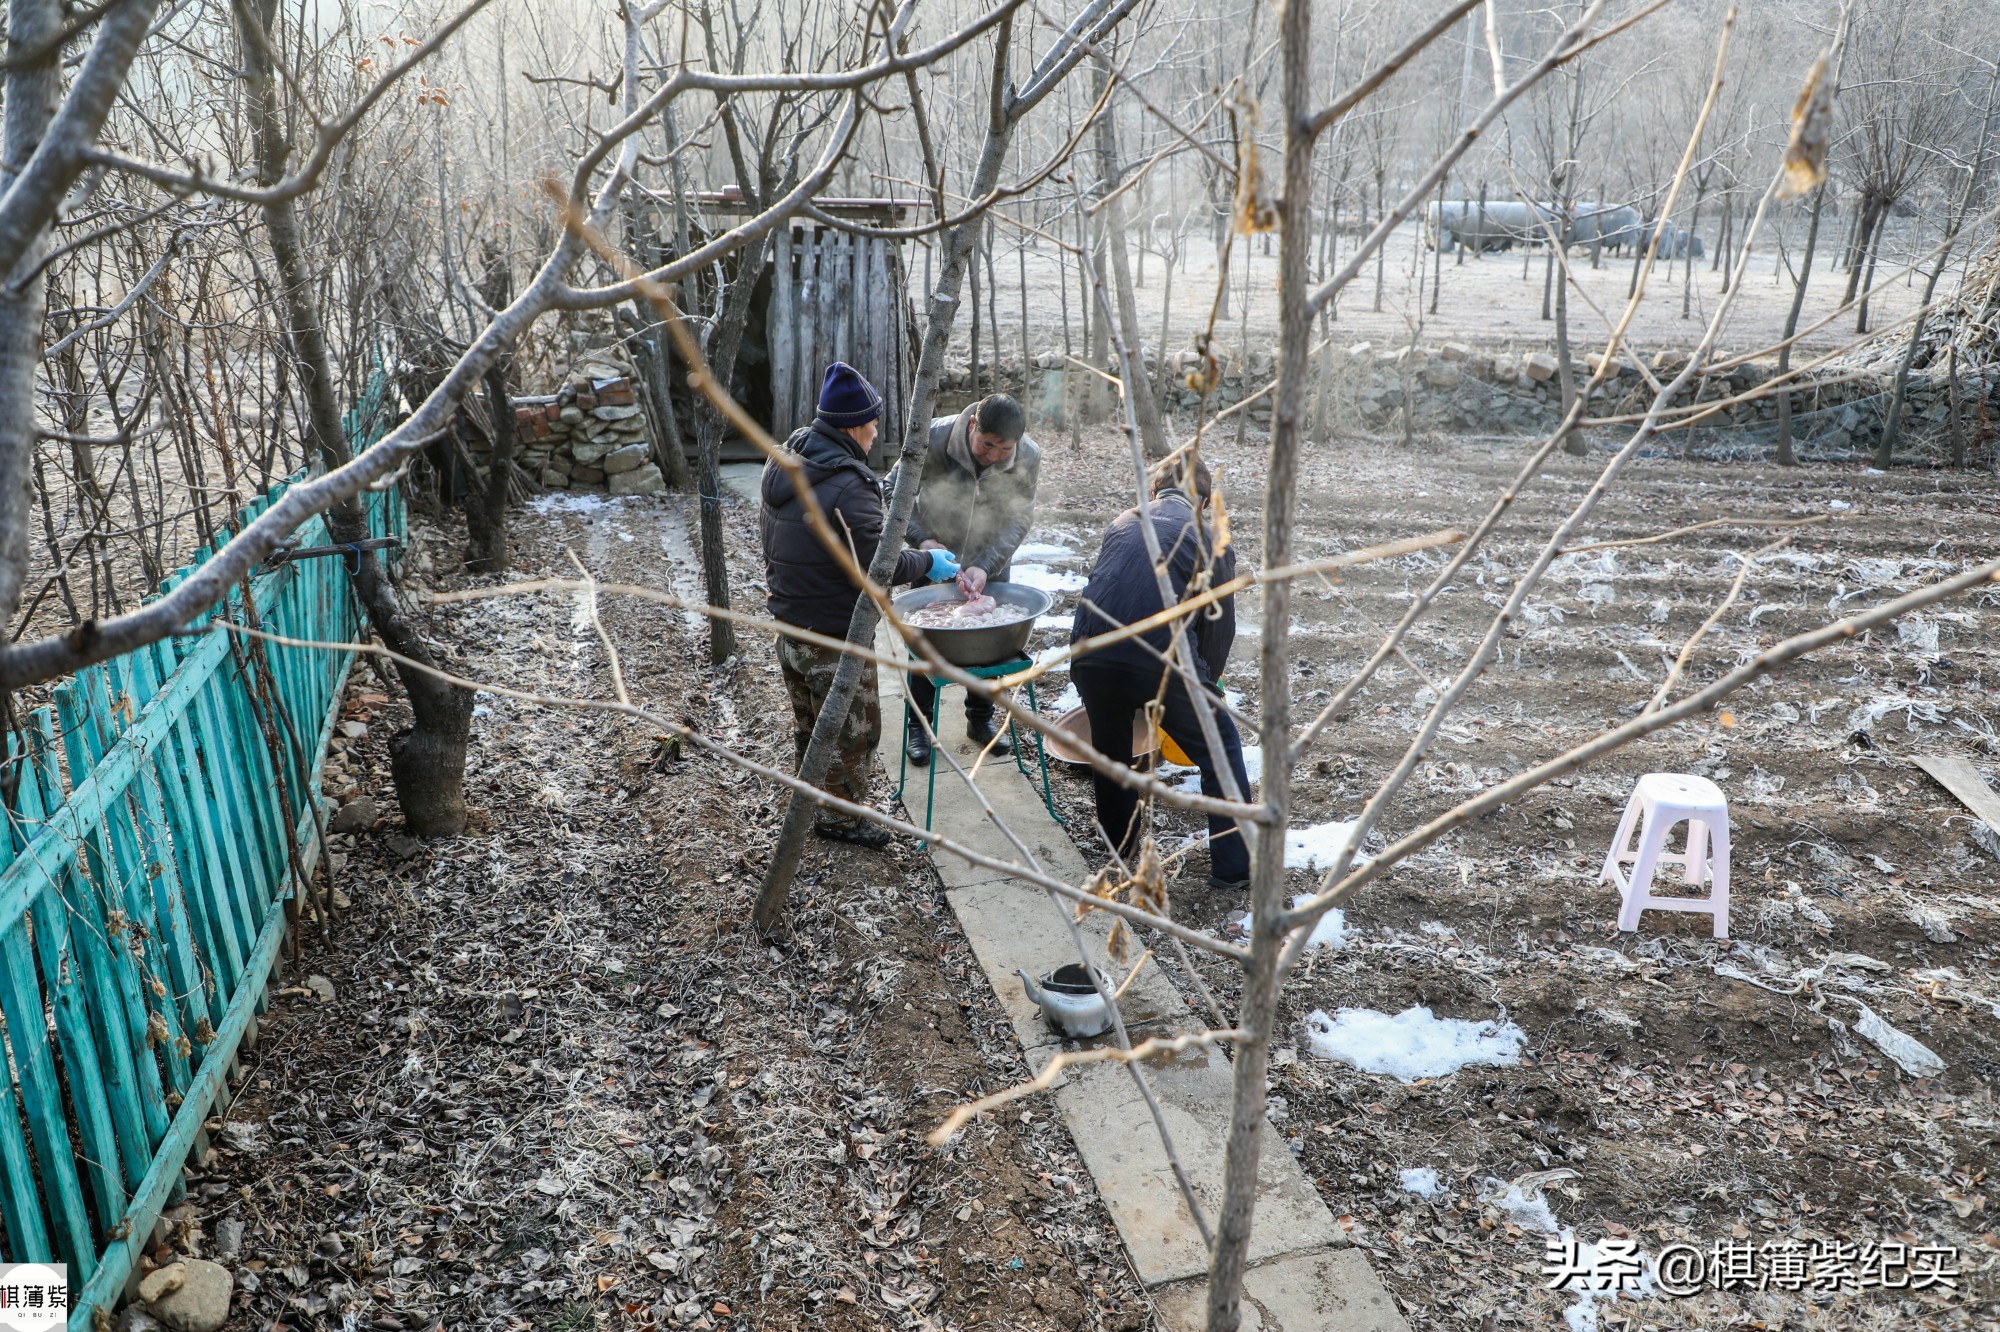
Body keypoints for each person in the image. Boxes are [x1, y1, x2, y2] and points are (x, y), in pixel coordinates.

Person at [760, 362, 960, 848]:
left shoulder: (789, 456)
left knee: (811, 721)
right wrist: (928, 561)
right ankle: (840, 822)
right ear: (852, 424)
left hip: (791, 623)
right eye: (871, 424)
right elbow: (879, 563)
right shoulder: (848, 484)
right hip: (834, 630)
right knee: (855, 730)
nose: (875, 434)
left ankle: (810, 800)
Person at [1068, 456, 1253, 890]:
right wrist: (1210, 687)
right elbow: (1218, 626)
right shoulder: (1210, 537)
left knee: (1112, 753)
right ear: (1203, 502)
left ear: (1155, 491)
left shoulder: (1123, 521)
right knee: (1221, 747)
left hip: (1090, 654)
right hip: (1158, 659)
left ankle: (1120, 846)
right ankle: (1234, 870)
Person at [887, 393, 1042, 765]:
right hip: (935, 557)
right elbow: (893, 490)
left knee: (991, 641)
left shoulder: (1028, 455)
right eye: (987, 445)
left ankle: (981, 720)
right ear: (973, 425)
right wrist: (923, 542)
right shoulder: (935, 438)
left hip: (991, 558)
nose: (993, 456)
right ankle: (919, 728)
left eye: (1003, 449)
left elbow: (1020, 517)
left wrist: (986, 566)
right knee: (927, 643)